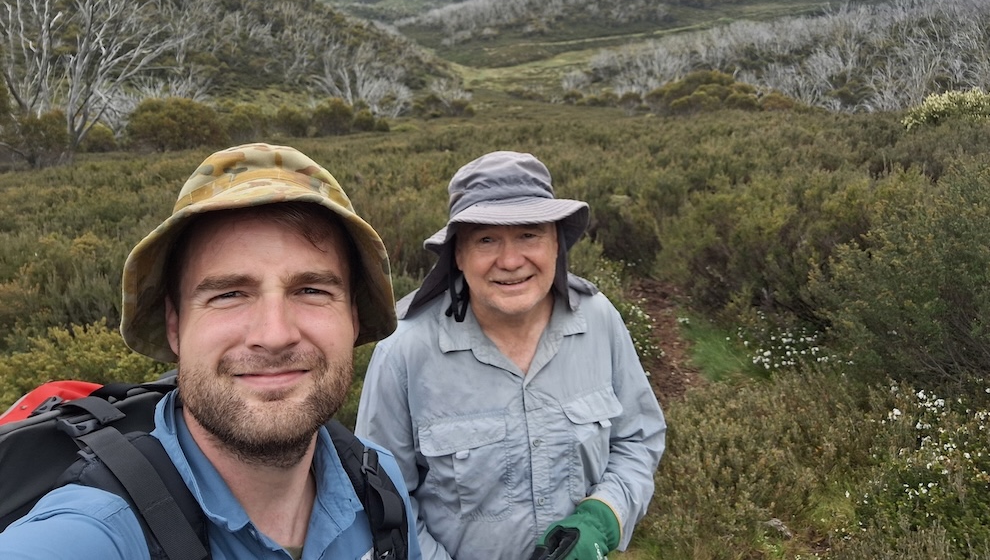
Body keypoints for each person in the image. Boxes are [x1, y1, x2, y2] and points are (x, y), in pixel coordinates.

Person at [0, 142, 421, 560]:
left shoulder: (378, 483)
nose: (274, 334)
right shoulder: (93, 534)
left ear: (352, 318)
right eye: (229, 294)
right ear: (175, 326)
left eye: (311, 290)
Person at [355, 150, 666, 560]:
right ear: (458, 256)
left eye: (529, 234)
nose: (511, 261)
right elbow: (384, 502)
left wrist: (604, 515)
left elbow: (638, 439)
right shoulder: (405, 351)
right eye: (486, 239)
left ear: (557, 244)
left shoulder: (598, 318)